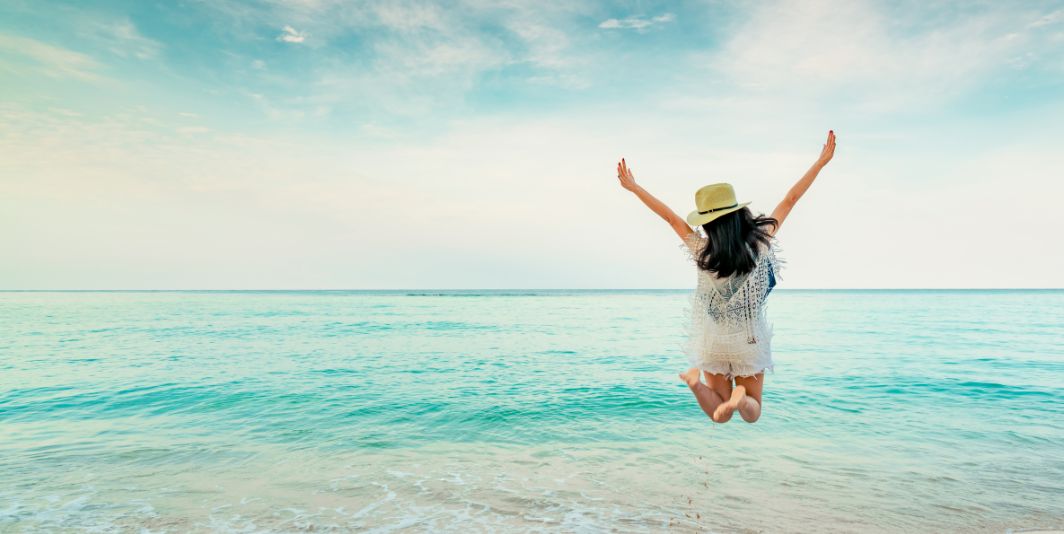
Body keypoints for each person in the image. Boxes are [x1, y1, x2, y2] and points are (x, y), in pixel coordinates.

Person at [615, 131, 836, 423]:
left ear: (707, 223)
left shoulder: (702, 250)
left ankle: (695, 384)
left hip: (713, 340)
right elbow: (790, 199)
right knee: (751, 413)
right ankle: (741, 397)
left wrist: (634, 188)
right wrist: (820, 162)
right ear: (736, 213)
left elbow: (669, 217)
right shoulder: (760, 242)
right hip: (748, 339)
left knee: (719, 416)